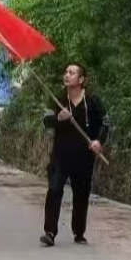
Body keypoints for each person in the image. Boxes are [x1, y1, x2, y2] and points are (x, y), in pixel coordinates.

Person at [40, 64, 109, 247]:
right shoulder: (58, 99)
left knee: (81, 193)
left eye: (72, 73)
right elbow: (45, 121)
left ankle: (79, 232)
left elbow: (105, 122)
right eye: (66, 72)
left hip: (84, 156)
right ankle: (50, 232)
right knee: (54, 189)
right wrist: (58, 118)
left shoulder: (92, 101)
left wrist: (99, 141)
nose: (67, 75)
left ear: (81, 79)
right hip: (60, 155)